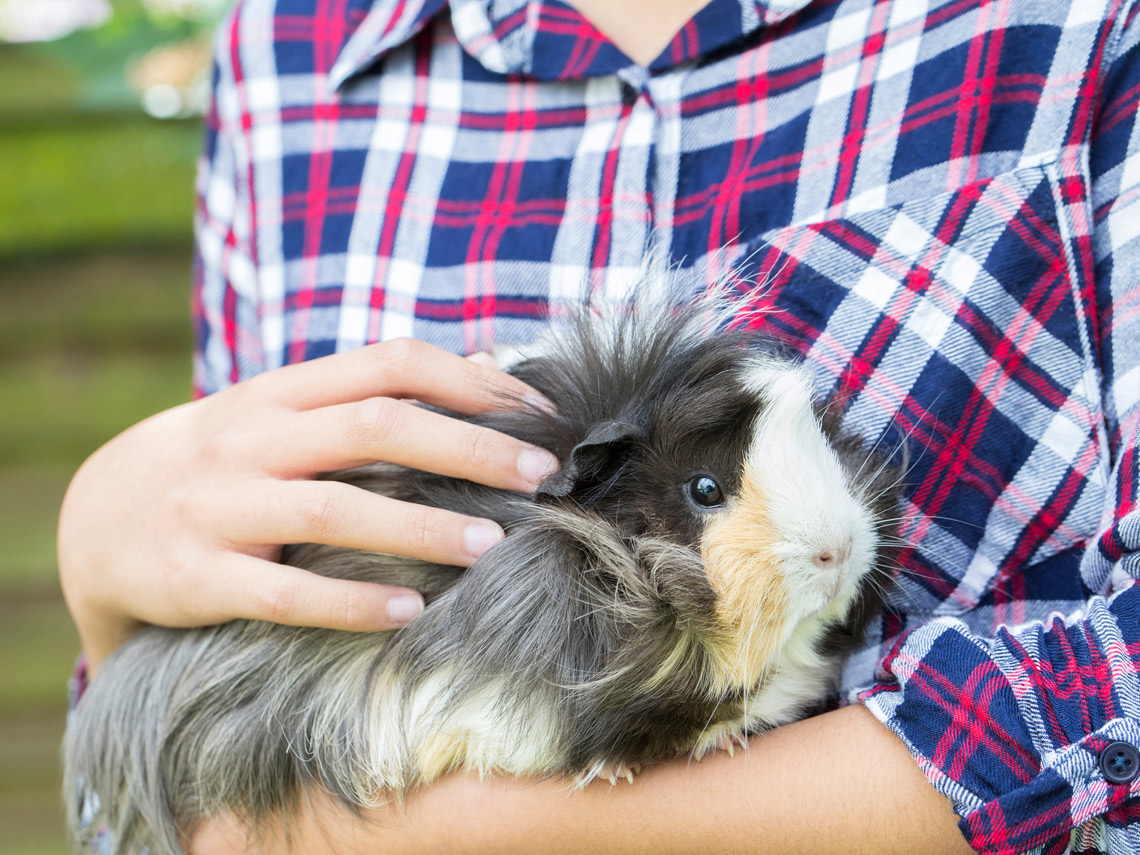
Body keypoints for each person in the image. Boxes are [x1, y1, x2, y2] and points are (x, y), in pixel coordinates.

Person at [59, 0, 1140, 852]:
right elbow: (188, 753)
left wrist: (470, 832)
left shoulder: (1070, 30)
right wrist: (99, 569)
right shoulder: (288, 52)